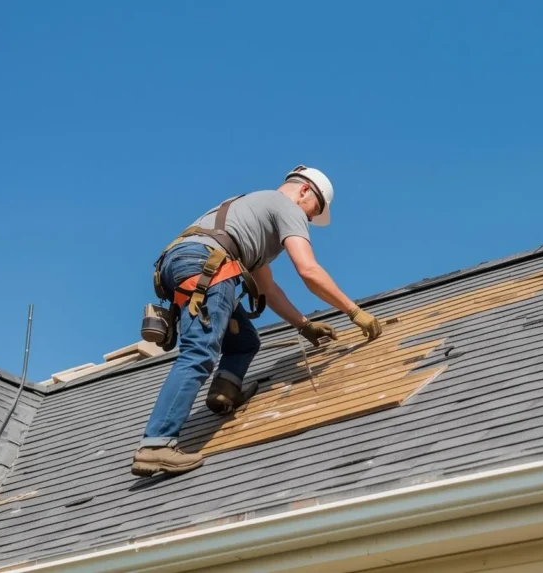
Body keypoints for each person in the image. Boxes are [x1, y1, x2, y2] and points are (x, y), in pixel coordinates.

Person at [131, 165, 383, 477]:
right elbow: (308, 269)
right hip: (207, 266)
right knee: (199, 352)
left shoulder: (254, 213)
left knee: (245, 342)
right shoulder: (286, 207)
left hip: (185, 263)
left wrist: (304, 325)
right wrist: (353, 311)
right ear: (304, 190)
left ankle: (225, 391)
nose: (306, 221)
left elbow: (269, 289)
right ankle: (156, 444)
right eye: (311, 213)